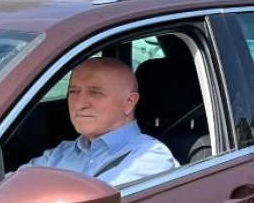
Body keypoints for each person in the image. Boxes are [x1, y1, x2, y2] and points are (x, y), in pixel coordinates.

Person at [25, 57, 178, 185]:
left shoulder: (149, 158)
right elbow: (9, 188)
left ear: (129, 103)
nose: (79, 104)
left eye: (96, 93)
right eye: (73, 92)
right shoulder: (61, 153)